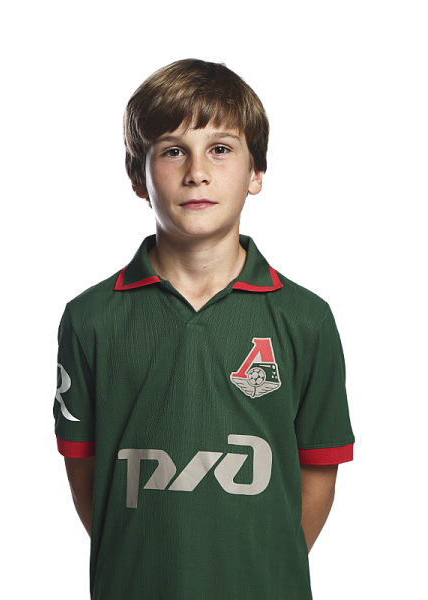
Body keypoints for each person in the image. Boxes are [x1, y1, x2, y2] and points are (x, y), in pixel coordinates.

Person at [54, 57, 355, 599]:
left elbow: (317, 477)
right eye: (173, 150)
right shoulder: (90, 317)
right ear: (138, 178)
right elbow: (87, 479)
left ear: (257, 172)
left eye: (220, 148)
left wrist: (252, 569)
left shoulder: (306, 319)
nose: (197, 171)